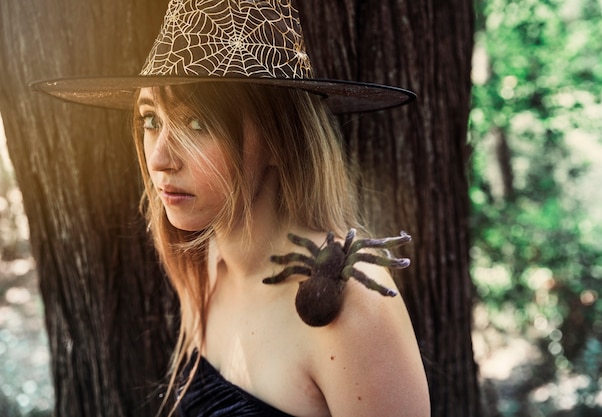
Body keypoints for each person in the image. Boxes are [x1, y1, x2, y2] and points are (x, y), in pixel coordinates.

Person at [32, 1, 430, 416]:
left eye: (198, 123)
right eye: (151, 120)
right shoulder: (207, 268)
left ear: (281, 140)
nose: (160, 159)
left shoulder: (353, 301)